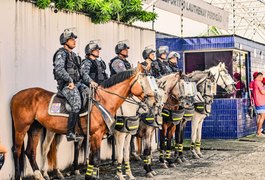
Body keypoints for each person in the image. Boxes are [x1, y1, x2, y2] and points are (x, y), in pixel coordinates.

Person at [53, 28, 88, 141]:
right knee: (76, 103)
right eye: (72, 39)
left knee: (90, 95)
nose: (74, 41)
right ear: (65, 41)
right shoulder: (61, 53)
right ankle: (70, 132)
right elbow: (59, 69)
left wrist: (91, 82)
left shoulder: (74, 56)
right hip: (67, 85)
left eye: (74, 39)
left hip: (77, 84)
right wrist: (69, 81)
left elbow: (81, 72)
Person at [252, 72, 265, 137]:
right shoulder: (258, 82)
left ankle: (258, 131)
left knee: (260, 117)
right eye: (262, 77)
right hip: (261, 102)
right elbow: (263, 92)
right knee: (262, 116)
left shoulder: (254, 82)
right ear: (259, 76)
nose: (262, 79)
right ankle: (258, 132)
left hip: (257, 102)